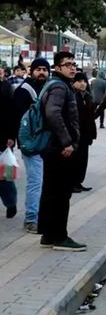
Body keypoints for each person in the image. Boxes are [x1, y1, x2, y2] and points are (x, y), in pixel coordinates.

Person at [38, 52, 85, 251]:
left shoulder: (60, 85)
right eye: (67, 64)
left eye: (74, 64)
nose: (72, 68)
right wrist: (67, 141)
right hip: (59, 149)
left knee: (52, 191)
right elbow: (53, 113)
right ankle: (59, 236)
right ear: (57, 68)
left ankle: (49, 235)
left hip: (53, 147)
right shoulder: (59, 86)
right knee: (61, 193)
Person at [12, 58, 50, 232]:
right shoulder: (24, 91)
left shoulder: (46, 88)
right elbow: (17, 119)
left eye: (44, 69)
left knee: (41, 182)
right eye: (38, 69)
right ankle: (31, 219)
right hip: (31, 144)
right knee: (35, 181)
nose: (42, 72)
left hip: (45, 144)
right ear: (31, 71)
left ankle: (40, 216)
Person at [71, 72, 96, 193]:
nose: (83, 84)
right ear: (74, 82)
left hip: (86, 133)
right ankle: (72, 183)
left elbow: (90, 115)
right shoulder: (72, 95)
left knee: (83, 159)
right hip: (76, 133)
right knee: (75, 159)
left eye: (84, 81)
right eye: (80, 81)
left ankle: (79, 182)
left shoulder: (87, 96)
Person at [0, 67, 16, 219]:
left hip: (3, 139)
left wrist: (12, 136)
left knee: (6, 176)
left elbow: (13, 114)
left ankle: (11, 203)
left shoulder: (6, 88)